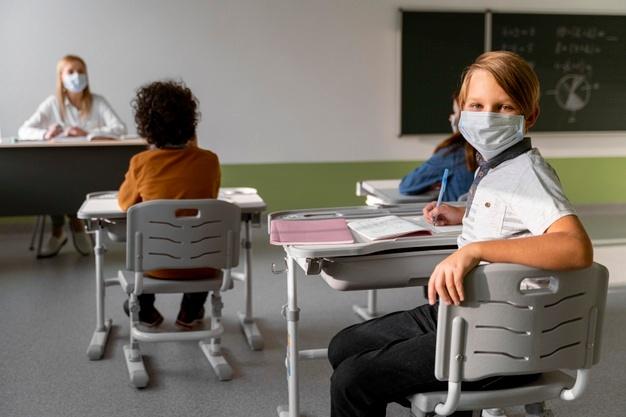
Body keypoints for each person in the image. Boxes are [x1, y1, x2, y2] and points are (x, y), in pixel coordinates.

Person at [327, 51, 593, 417]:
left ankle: (445, 398)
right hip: (463, 313)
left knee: (352, 379)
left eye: (504, 107)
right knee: (344, 346)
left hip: (495, 338)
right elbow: (515, 217)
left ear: (529, 116)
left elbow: (575, 247)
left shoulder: (527, 174)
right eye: (477, 104)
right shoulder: (497, 167)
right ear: (462, 110)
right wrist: (464, 213)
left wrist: (475, 250)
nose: (486, 116)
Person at [118, 80, 221, 329]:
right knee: (197, 242)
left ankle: (144, 310)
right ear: (191, 122)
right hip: (202, 264)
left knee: (146, 246)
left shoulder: (141, 163)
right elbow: (211, 197)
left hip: (155, 265)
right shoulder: (209, 161)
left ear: (146, 126)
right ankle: (190, 310)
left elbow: (124, 204)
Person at [18, 55, 127, 258]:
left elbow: (120, 129)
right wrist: (45, 133)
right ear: (61, 77)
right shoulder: (52, 103)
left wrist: (87, 134)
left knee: (71, 180)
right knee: (54, 179)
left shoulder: (98, 102)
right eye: (71, 71)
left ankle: (67, 228)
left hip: (90, 169)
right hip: (58, 168)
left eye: (81, 71)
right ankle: (68, 228)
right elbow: (24, 130)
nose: (77, 76)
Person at [399, 94, 477, 201]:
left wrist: (431, 183)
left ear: (461, 117)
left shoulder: (453, 153)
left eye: (454, 112)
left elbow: (407, 185)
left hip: (452, 216)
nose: (451, 118)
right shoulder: (493, 152)